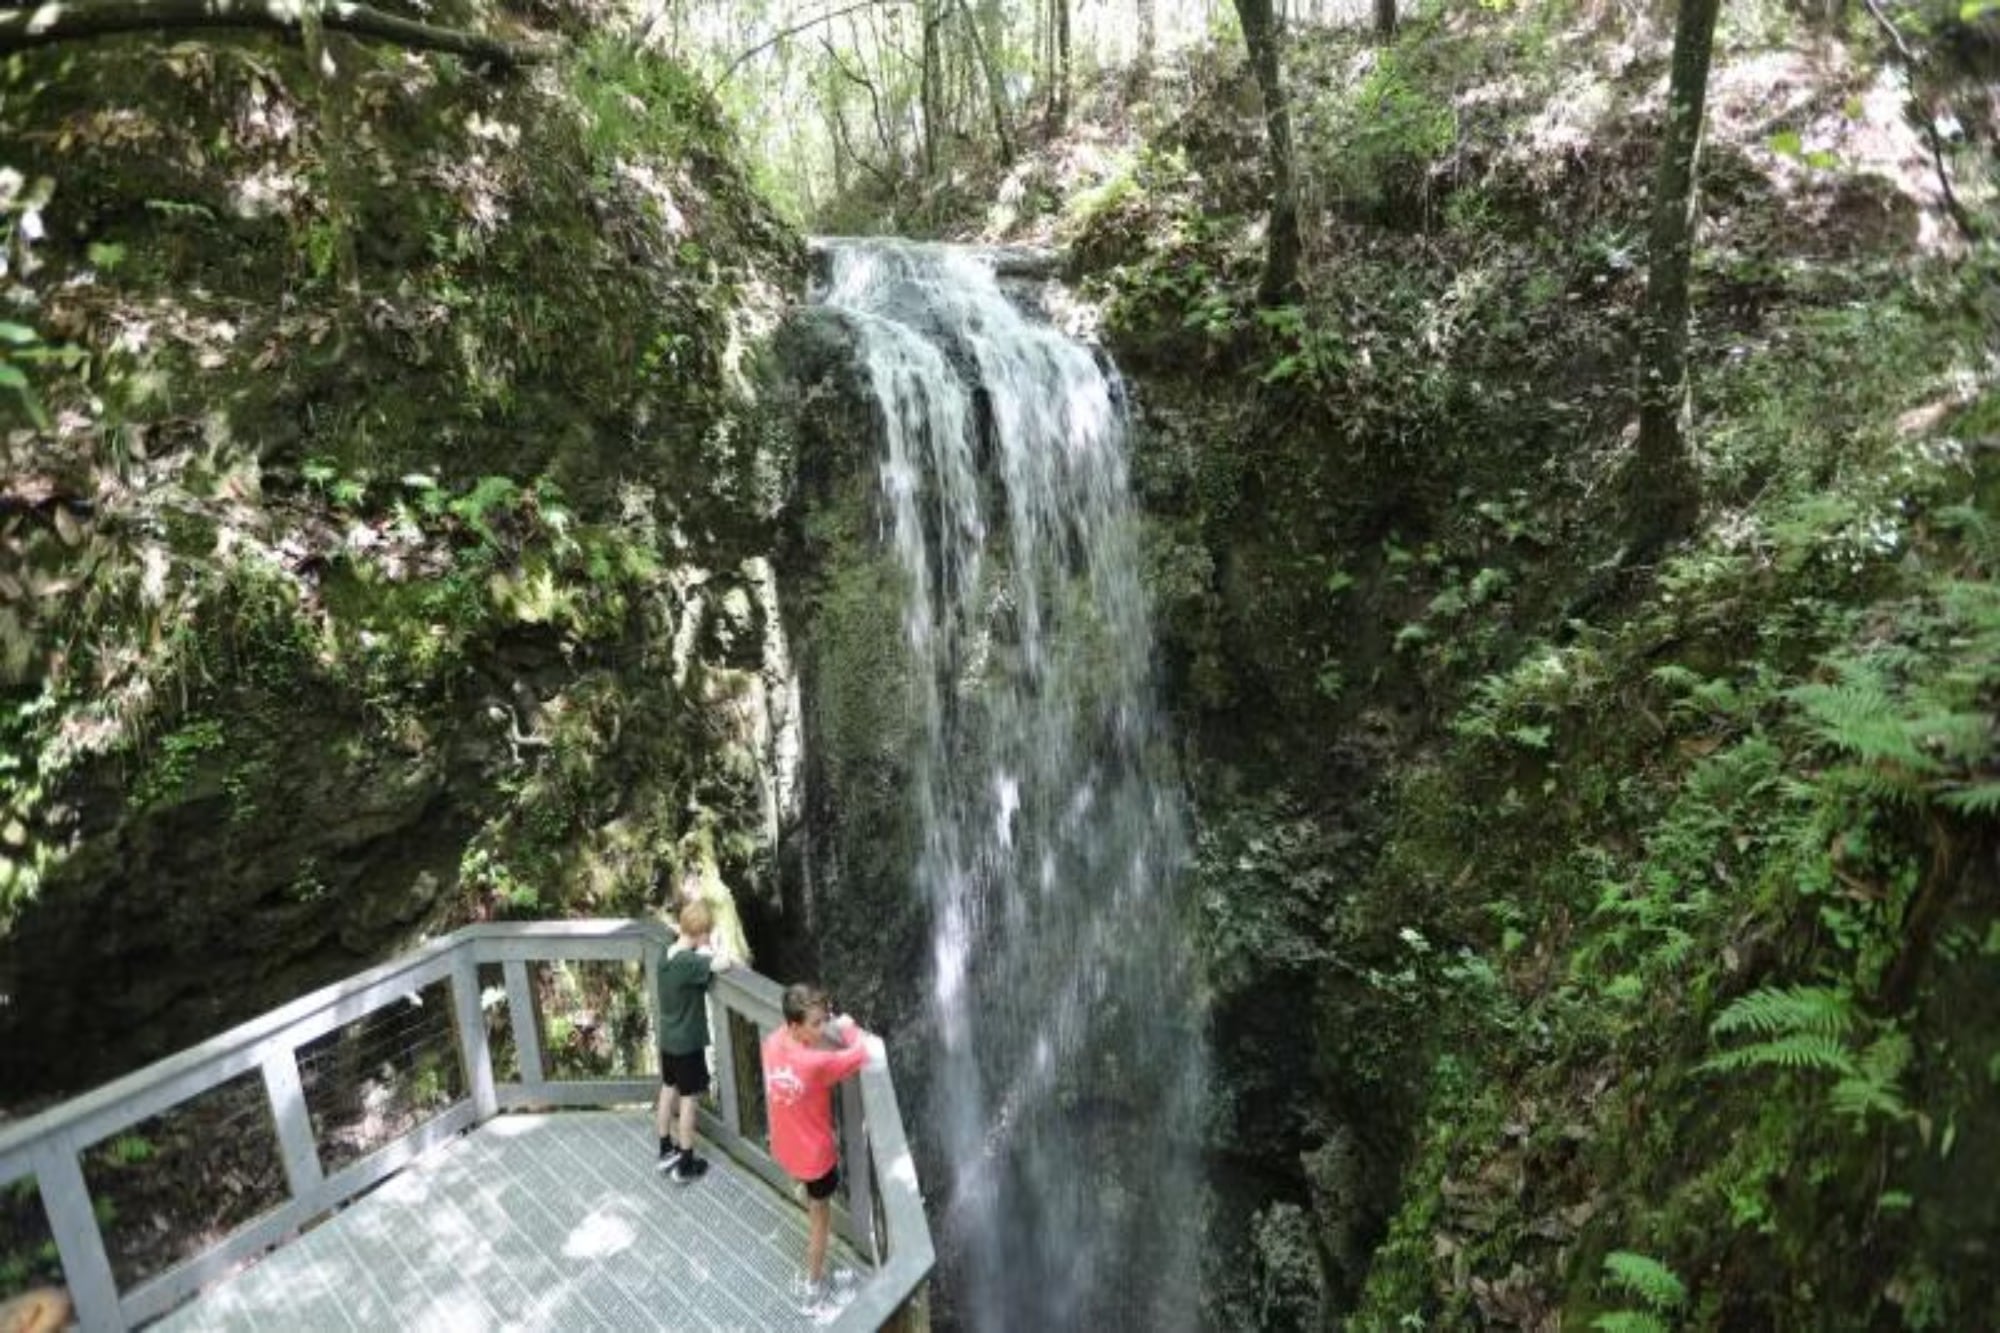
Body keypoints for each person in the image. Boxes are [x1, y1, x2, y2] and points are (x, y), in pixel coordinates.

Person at [761, 983, 881, 1309]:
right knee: (820, 1221)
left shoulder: (772, 1042)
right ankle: (814, 1285)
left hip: (787, 1146)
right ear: (795, 1025)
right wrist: (848, 1026)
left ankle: (804, 1195)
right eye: (816, 1024)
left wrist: (823, 1029)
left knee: (810, 1198)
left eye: (824, 1020)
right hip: (816, 1157)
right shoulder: (814, 1064)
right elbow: (862, 1052)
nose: (823, 1028)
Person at [655, 899, 732, 1182]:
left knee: (667, 1089)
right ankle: (686, 1162)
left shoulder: (666, 954)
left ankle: (666, 1148)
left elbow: (693, 955)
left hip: (667, 1040)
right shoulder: (691, 962)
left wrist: (701, 947)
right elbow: (721, 964)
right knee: (688, 1100)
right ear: (702, 934)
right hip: (688, 1044)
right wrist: (720, 945)